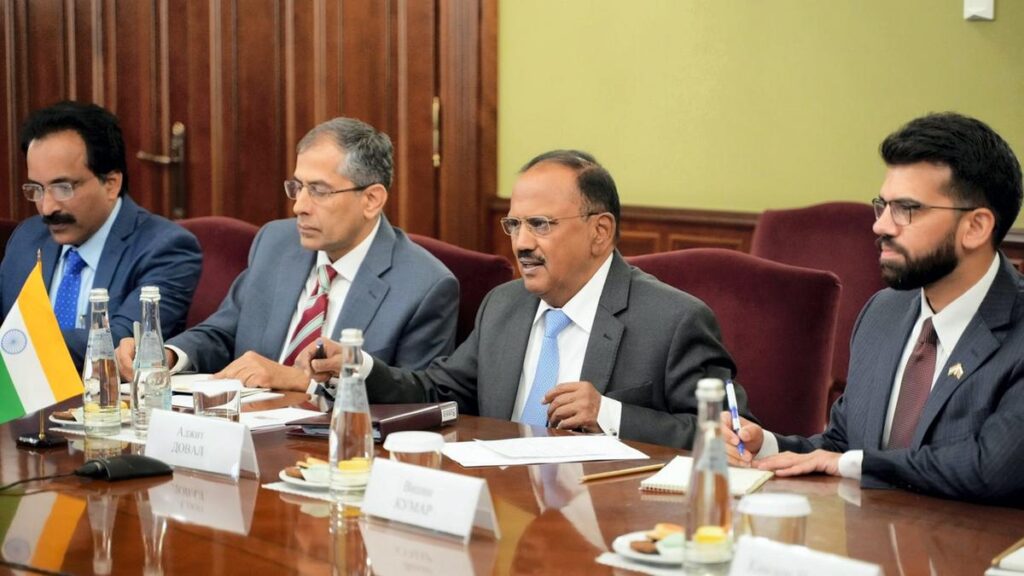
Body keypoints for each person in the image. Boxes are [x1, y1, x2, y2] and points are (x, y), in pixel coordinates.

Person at [299, 150, 752, 448]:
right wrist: (359, 368)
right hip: (506, 511)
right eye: (514, 225)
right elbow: (441, 392)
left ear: (600, 232)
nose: (521, 244)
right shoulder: (504, 304)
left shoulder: (673, 320)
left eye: (540, 225)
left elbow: (728, 434)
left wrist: (611, 414)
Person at [725, 112, 1024, 504]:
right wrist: (765, 445)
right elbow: (841, 444)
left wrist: (853, 463)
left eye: (906, 208)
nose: (881, 226)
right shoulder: (884, 312)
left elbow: (991, 469)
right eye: (882, 205)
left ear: (976, 227)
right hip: (867, 538)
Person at [116, 117, 458, 393]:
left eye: (319, 191)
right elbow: (223, 332)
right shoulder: (276, 243)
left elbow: (416, 398)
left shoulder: (424, 286)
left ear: (371, 200)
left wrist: (302, 382)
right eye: (297, 187)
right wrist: (167, 355)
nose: (299, 207)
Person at [0, 101, 201, 369]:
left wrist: (16, 347)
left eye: (63, 188)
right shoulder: (28, 237)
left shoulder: (166, 249)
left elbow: (119, 345)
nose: (47, 208)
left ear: (111, 184)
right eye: (36, 189)